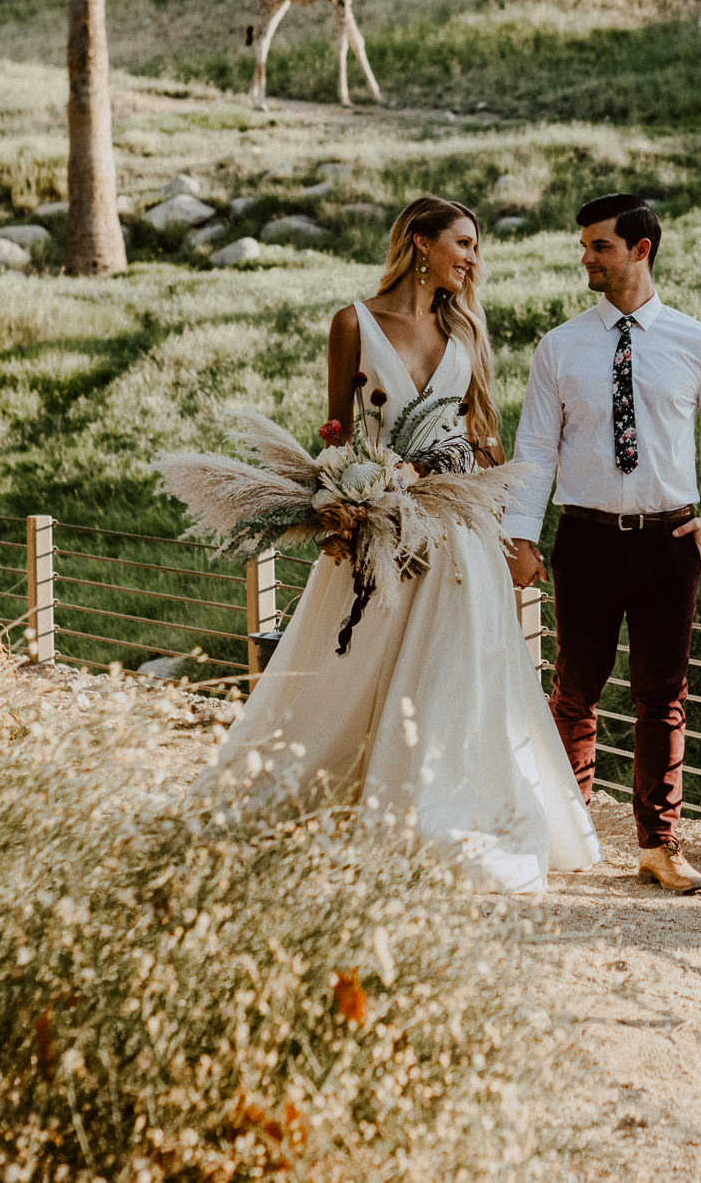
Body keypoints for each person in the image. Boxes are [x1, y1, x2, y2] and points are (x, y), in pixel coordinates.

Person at [196, 196, 600, 893]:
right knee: (357, 661)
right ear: (421, 243)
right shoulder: (353, 323)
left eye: (474, 248)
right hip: (380, 523)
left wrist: (506, 528)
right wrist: (344, 496)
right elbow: (333, 431)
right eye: (463, 244)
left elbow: (482, 438)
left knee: (460, 662)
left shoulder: (466, 331)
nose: (472, 259)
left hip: (457, 526)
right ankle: (347, 793)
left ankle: (446, 805)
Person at [506, 194, 701, 894]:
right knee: (575, 690)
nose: (586, 258)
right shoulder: (560, 346)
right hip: (583, 538)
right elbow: (535, 446)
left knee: (661, 695)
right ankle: (568, 830)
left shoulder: (698, 343)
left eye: (599, 247)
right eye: (584, 246)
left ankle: (659, 845)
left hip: (667, 541)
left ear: (640, 250)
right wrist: (521, 535)